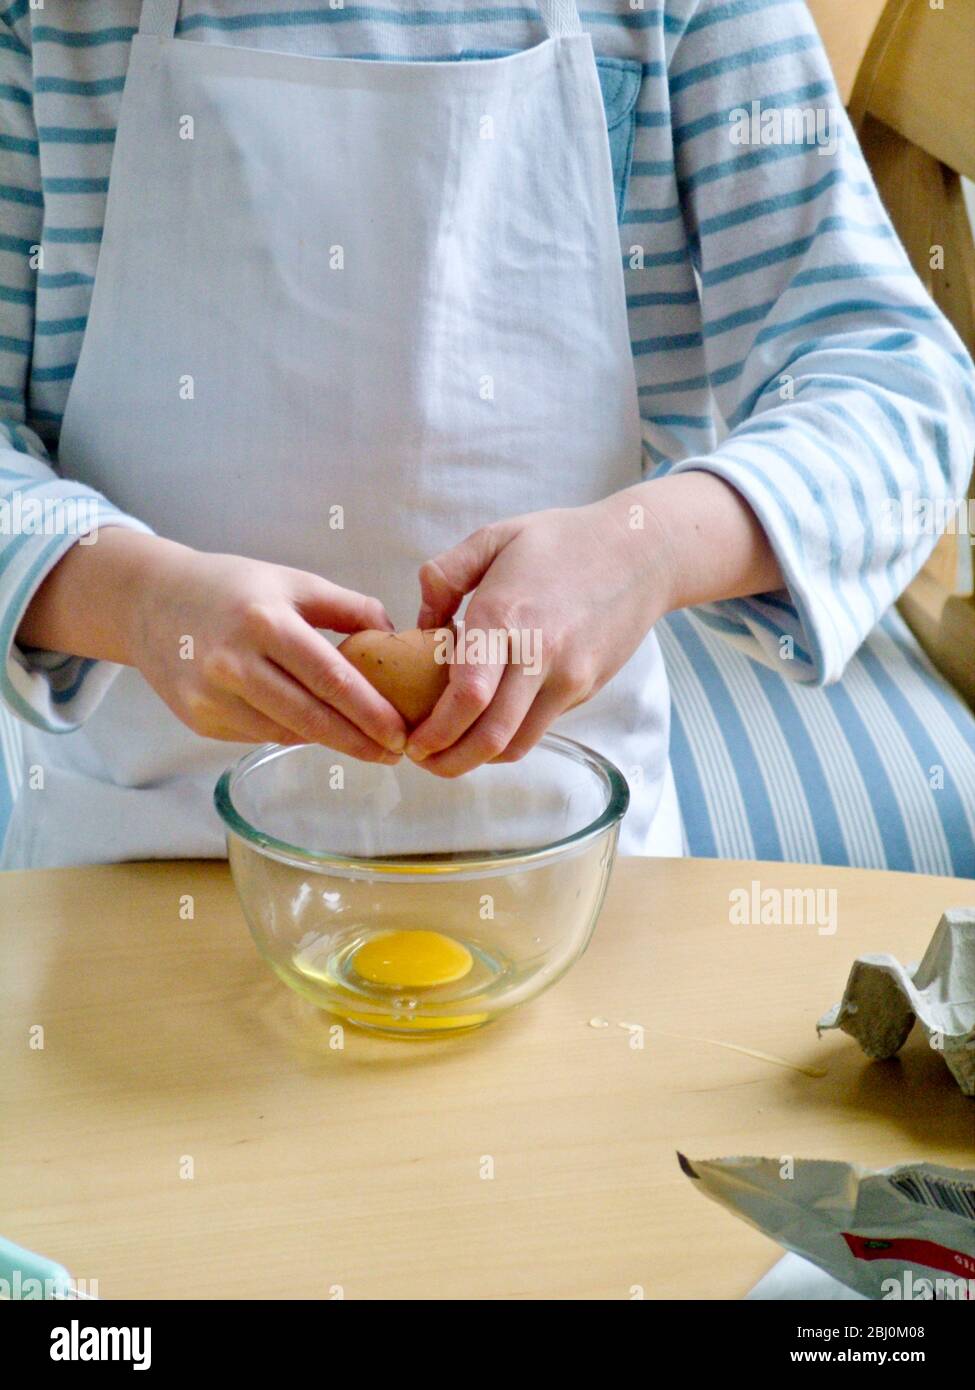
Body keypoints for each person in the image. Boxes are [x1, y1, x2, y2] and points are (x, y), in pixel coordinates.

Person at [0, 0, 971, 868]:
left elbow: (898, 391)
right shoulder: (45, 25)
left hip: (567, 863)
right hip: (134, 858)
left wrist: (649, 550)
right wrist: (133, 602)